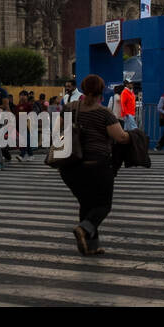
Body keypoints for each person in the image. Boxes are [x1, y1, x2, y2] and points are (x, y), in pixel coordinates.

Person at [56, 73, 129, 256]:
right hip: (97, 165)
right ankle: (83, 228)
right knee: (103, 204)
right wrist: (133, 136)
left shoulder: (69, 108)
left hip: (70, 167)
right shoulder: (104, 113)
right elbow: (120, 137)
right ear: (101, 91)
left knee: (87, 204)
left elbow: (58, 131)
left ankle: (91, 246)